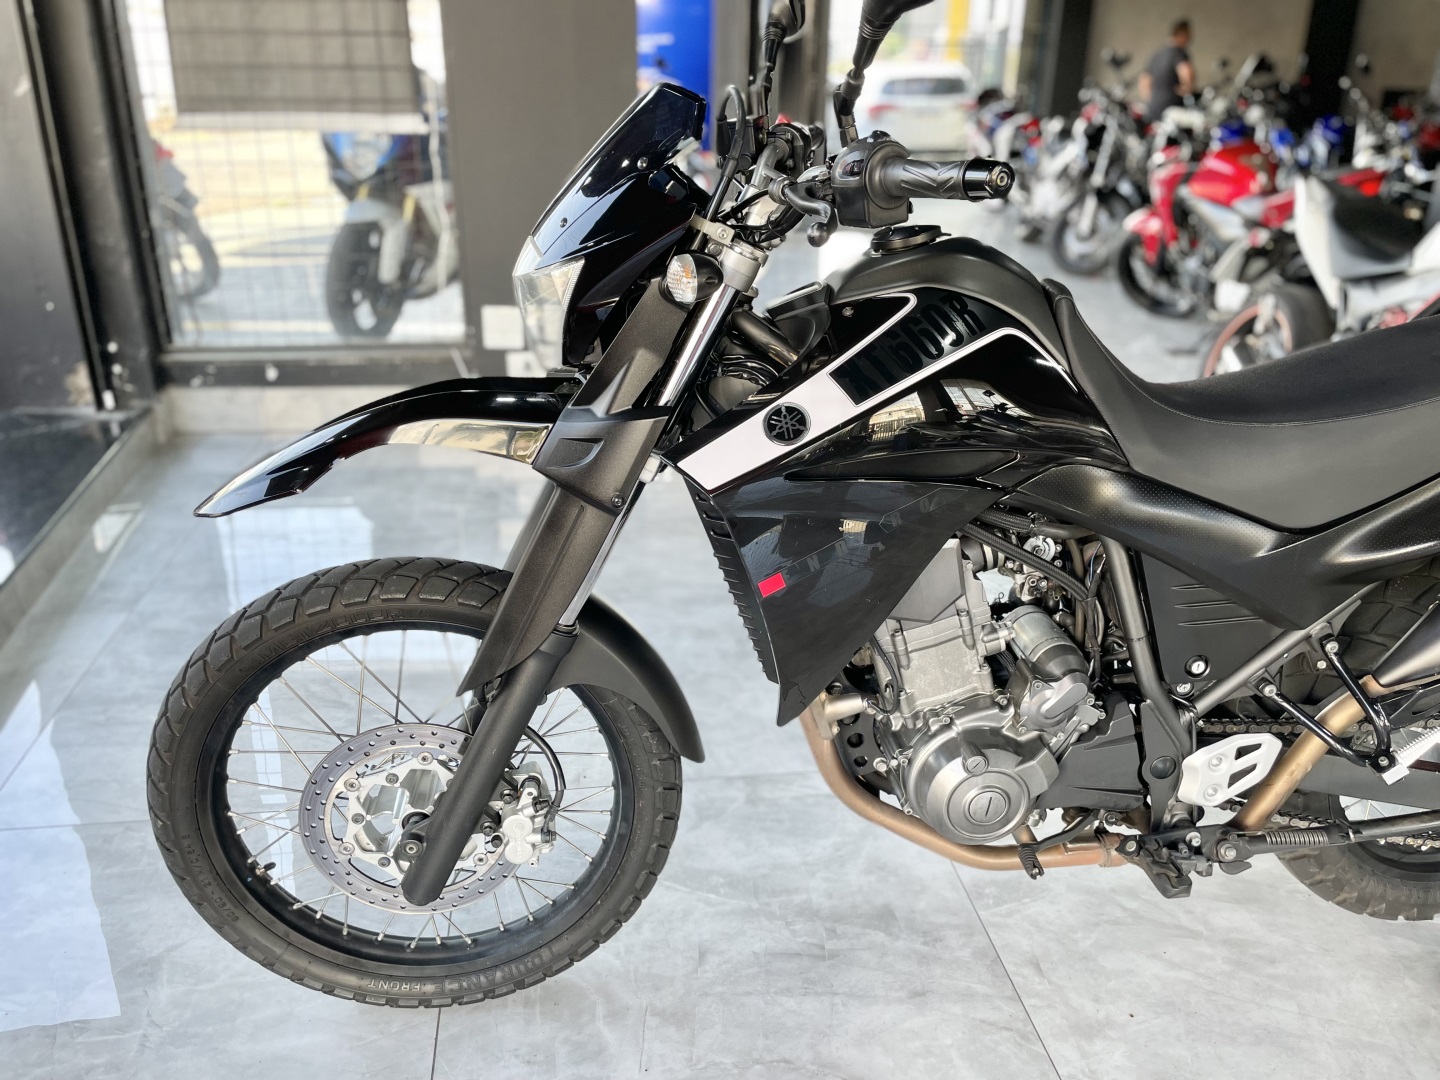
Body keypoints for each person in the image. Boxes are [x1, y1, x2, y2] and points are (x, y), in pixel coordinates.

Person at [1138, 18, 1195, 121]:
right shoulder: (1178, 53)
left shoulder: (1157, 55)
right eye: (1188, 35)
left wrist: (1151, 100)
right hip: (1172, 108)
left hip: (1153, 109)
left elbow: (1144, 80)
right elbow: (1186, 72)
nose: (1190, 39)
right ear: (1181, 34)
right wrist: (1187, 88)